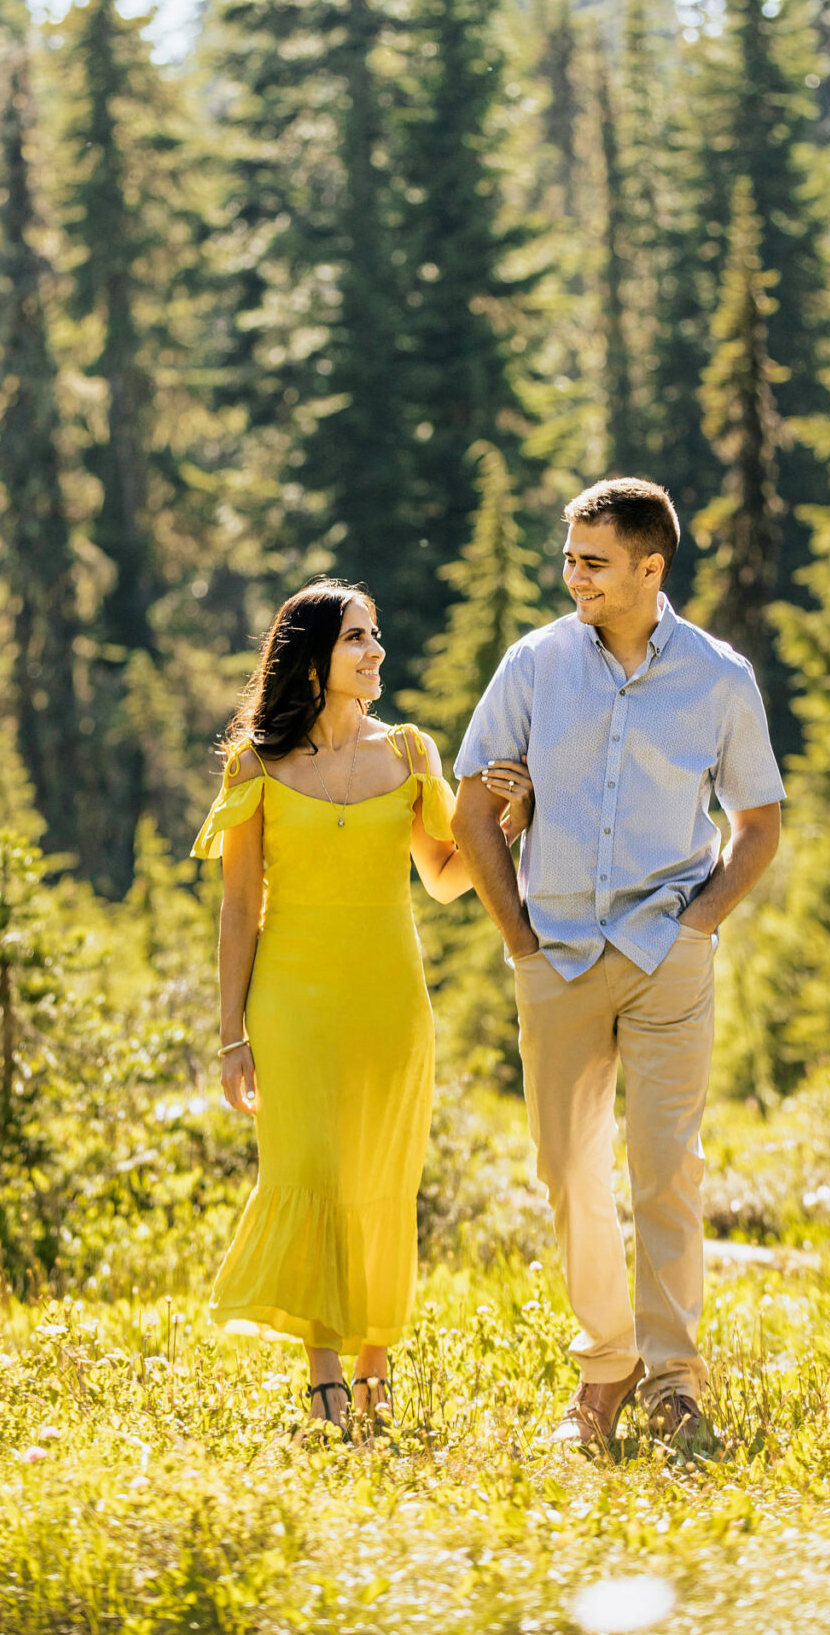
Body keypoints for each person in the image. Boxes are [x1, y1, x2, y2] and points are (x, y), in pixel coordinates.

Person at [451, 476, 784, 1451]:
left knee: (666, 1168)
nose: (574, 576)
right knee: (567, 1170)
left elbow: (756, 825)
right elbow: (473, 806)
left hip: (666, 951)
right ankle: (609, 1360)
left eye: (593, 561)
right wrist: (518, 941)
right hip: (554, 955)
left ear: (651, 566)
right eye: (569, 558)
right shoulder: (535, 663)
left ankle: (673, 1379)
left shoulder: (719, 676)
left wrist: (702, 924)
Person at [193, 578, 527, 1436]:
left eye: (376, 635)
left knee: (380, 1178)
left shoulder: (409, 755)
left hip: (388, 1001)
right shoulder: (256, 766)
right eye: (355, 639)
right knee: (310, 1173)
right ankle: (325, 1377)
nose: (375, 652)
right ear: (310, 655)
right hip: (290, 1003)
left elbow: (449, 879)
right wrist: (231, 1036)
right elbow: (239, 909)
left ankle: (376, 1373)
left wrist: (511, 819)